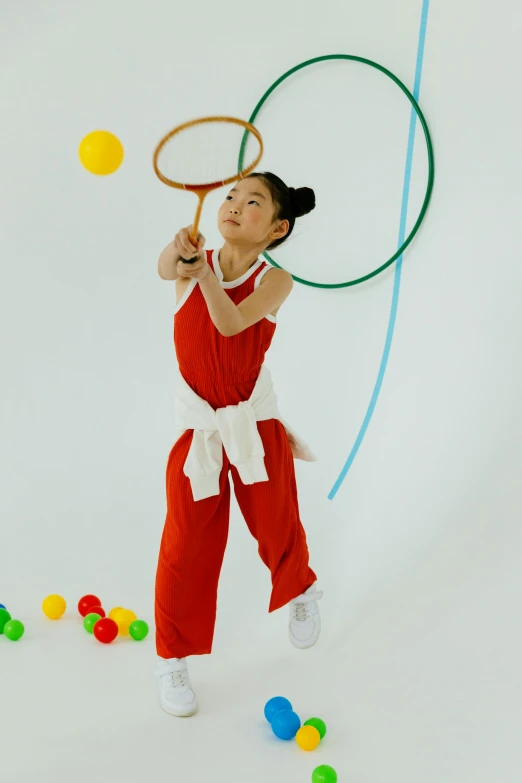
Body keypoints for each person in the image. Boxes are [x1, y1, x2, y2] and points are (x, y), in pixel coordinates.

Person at [154, 172, 323, 717]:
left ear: (276, 228)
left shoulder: (276, 281)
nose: (234, 205)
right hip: (200, 431)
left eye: (253, 202)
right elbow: (164, 268)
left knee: (276, 520)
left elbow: (229, 326)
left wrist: (202, 273)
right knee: (185, 548)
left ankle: (299, 591)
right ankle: (173, 659)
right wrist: (179, 253)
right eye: (230, 196)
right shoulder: (190, 264)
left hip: (253, 425)